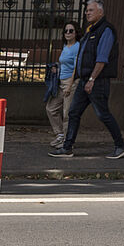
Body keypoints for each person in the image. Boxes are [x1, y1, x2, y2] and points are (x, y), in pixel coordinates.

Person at [50, 0, 124, 160]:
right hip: (85, 79)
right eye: (86, 10)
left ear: (100, 11)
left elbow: (102, 58)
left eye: (91, 10)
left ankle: (120, 145)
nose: (87, 12)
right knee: (73, 112)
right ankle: (67, 147)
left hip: (97, 81)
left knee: (102, 114)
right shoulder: (91, 30)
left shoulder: (106, 30)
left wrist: (92, 79)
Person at [43, 22, 81, 155]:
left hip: (71, 82)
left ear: (76, 32)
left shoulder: (77, 47)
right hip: (60, 82)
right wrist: (56, 68)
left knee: (67, 113)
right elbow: (65, 63)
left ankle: (67, 141)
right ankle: (59, 134)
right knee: (51, 107)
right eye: (66, 31)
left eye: (71, 31)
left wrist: (70, 85)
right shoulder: (66, 46)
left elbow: (76, 68)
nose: (68, 33)